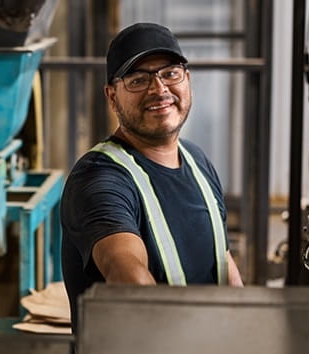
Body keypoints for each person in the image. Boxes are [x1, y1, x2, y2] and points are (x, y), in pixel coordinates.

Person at [60, 22, 243, 331]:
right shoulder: (98, 180)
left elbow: (225, 269)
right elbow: (126, 273)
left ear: (187, 79)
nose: (159, 90)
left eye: (170, 73)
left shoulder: (198, 163)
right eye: (138, 80)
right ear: (112, 96)